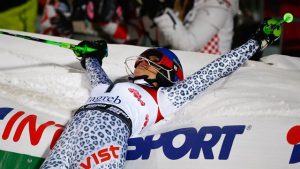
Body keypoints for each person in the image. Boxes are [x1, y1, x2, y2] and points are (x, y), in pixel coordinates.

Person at [40, 17, 280, 168]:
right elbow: (93, 65)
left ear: (169, 70)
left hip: (108, 138)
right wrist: (92, 54)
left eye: (152, 60)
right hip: (70, 135)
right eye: (141, 59)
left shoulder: (165, 98)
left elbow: (215, 69)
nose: (142, 62)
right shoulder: (106, 86)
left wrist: (257, 43)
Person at [147, 0, 239, 55]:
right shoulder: (198, 5)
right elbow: (174, 37)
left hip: (209, 77)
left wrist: (161, 13)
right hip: (196, 71)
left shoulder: (218, 7)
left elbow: (188, 45)